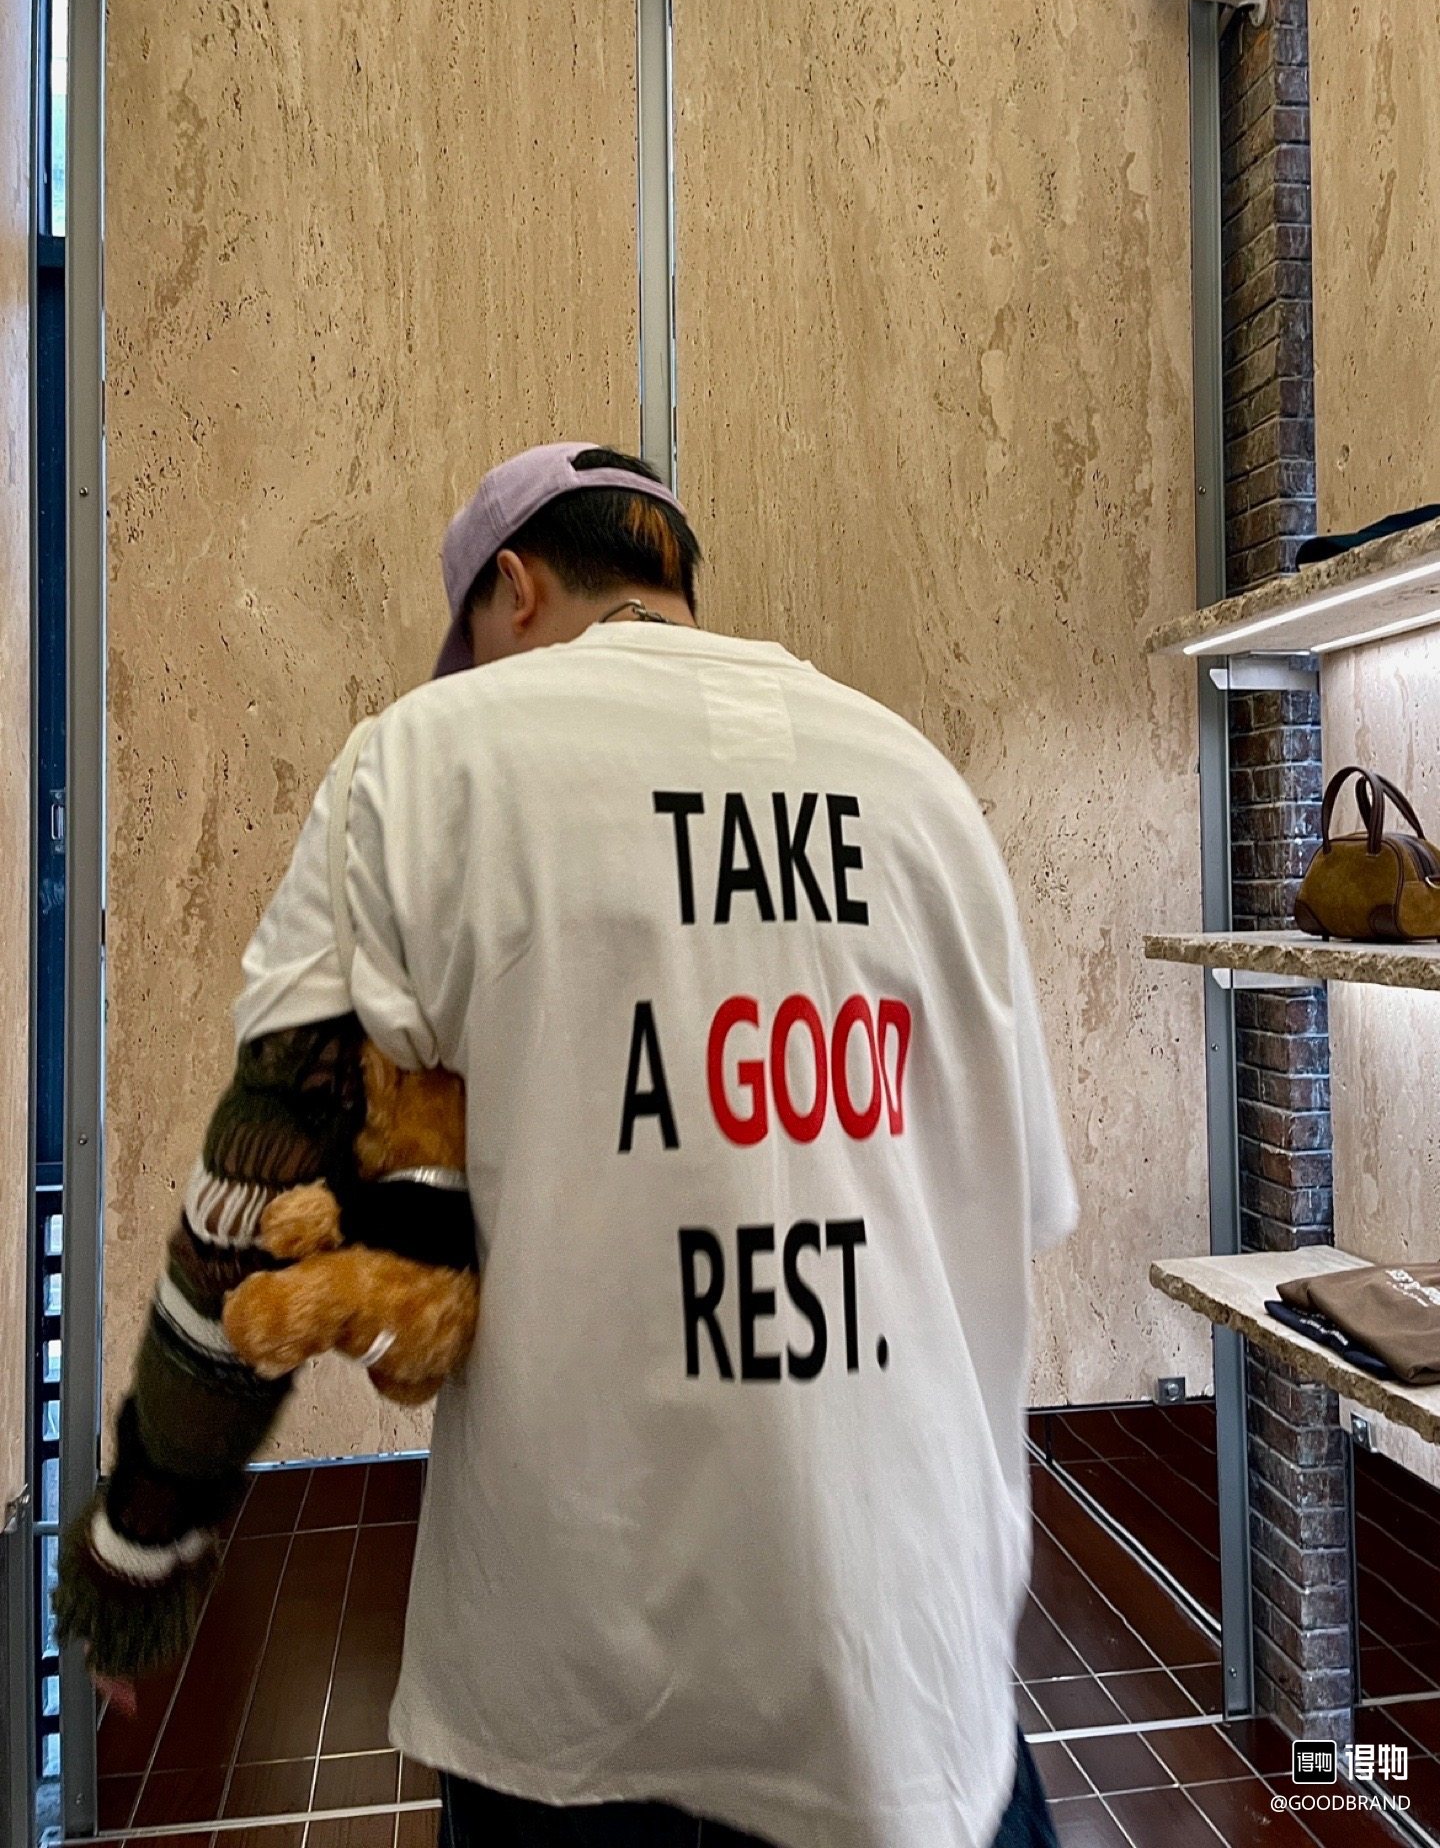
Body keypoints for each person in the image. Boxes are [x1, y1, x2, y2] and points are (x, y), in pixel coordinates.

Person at [61, 443, 1076, 1848]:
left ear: (516, 587)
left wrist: (139, 1551)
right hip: (912, 1676)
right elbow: (1010, 1205)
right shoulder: (921, 786)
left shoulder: (420, 762)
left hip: (577, 1697)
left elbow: (254, 1200)